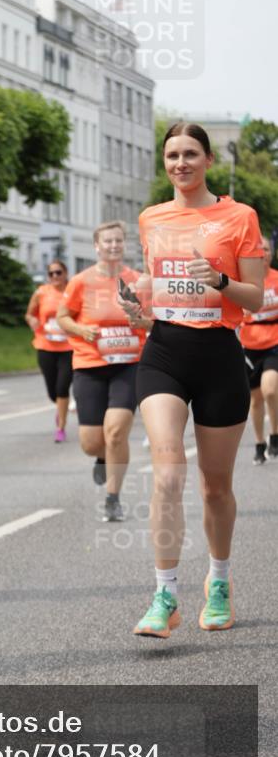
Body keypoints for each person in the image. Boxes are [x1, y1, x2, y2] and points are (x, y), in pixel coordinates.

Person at [131, 122, 264, 638]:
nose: (180, 163)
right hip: (163, 351)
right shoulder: (151, 218)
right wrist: (137, 306)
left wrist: (223, 281)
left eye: (190, 154)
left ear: (208, 159)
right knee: (166, 475)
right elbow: (157, 287)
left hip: (219, 356)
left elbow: (254, 298)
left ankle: (220, 581)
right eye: (172, 155)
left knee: (215, 487)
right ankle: (165, 595)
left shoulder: (239, 217)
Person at [57, 222, 149, 522]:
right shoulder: (81, 282)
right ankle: (100, 457)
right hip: (89, 365)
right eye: (107, 241)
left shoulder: (136, 281)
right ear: (97, 246)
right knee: (91, 441)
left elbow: (151, 320)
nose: (113, 246)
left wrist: (139, 320)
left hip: (128, 365)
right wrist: (80, 329)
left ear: (124, 245)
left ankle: (113, 497)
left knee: (116, 432)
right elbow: (62, 317)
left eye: (118, 241)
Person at [240, 235, 278, 465]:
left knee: (270, 390)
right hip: (249, 343)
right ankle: (259, 443)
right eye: (258, 249)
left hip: (274, 341)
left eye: (265, 249)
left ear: (271, 254)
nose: (262, 253)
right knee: (255, 401)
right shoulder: (244, 281)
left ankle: (275, 435)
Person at [25, 259, 73, 442]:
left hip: (68, 347)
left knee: (62, 387)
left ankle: (61, 428)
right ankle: (61, 407)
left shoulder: (73, 291)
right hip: (46, 345)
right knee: (53, 392)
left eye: (58, 272)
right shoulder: (41, 292)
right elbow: (29, 313)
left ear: (65, 273)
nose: (55, 276)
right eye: (51, 273)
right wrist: (32, 321)